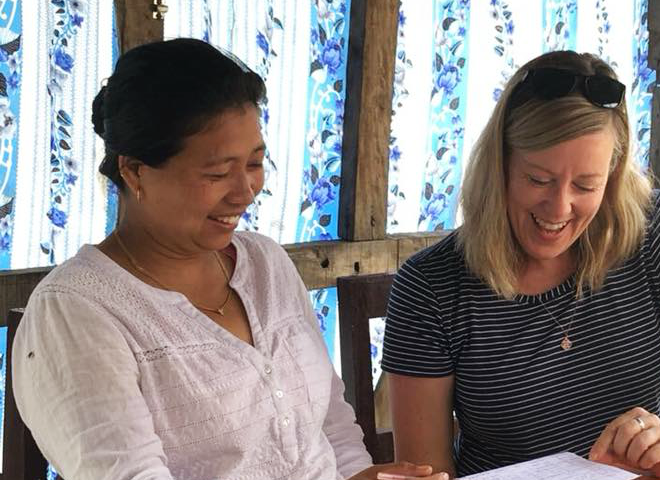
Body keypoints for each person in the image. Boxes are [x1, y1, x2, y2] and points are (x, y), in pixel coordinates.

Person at [12, 38, 445, 480]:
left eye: (255, 164)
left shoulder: (264, 263)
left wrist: (358, 476)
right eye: (217, 173)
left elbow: (331, 424)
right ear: (135, 170)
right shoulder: (78, 312)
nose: (245, 192)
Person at [382, 50, 660, 479]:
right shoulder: (430, 287)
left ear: (614, 173)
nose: (559, 207)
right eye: (538, 179)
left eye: (586, 184)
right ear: (500, 165)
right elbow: (426, 472)